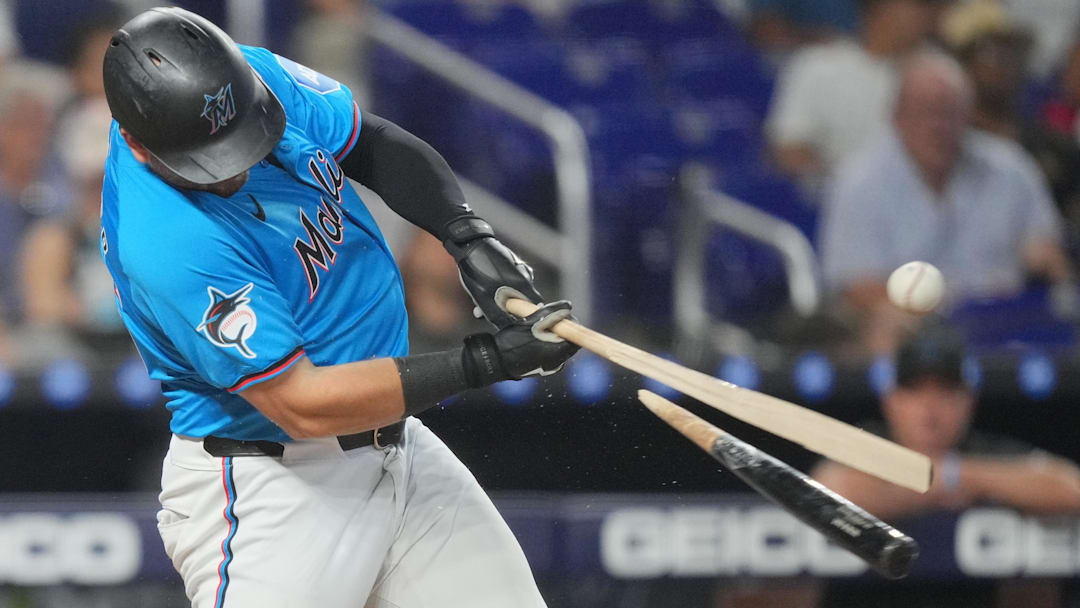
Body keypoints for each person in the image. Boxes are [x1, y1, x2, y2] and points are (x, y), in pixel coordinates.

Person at [100, 8, 578, 607]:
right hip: (275, 488)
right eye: (213, 162)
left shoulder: (244, 80)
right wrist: (484, 362)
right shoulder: (166, 239)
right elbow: (302, 403)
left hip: (399, 453)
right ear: (142, 147)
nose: (240, 165)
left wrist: (467, 237)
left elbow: (372, 143)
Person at [820, 50, 1071, 352]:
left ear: (969, 115)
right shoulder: (860, 179)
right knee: (884, 329)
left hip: (1004, 322)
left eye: (949, 111)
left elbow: (1051, 257)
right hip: (911, 326)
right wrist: (925, 310)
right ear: (897, 117)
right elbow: (855, 287)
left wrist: (1045, 259)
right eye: (926, 111)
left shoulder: (1011, 168)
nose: (938, 125)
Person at [812, 322, 1080, 519]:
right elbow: (825, 490)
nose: (930, 406)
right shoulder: (871, 444)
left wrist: (955, 473)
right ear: (891, 401)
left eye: (945, 391)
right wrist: (930, 481)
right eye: (916, 390)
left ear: (968, 402)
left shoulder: (980, 451)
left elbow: (1071, 489)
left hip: (969, 594)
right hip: (874, 594)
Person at [764, 0, 944, 195]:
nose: (932, 14)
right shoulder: (817, 65)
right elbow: (790, 150)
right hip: (829, 206)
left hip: (918, 208)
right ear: (880, 6)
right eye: (921, 4)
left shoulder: (943, 75)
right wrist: (856, 191)